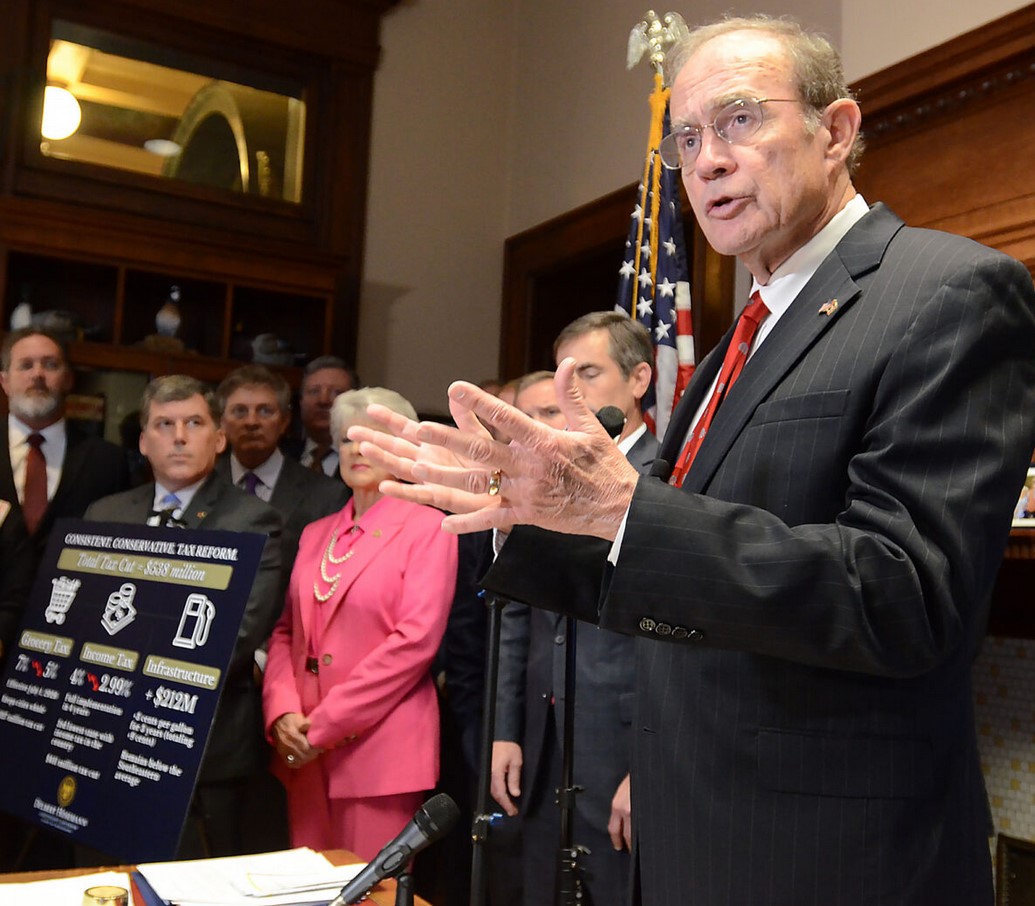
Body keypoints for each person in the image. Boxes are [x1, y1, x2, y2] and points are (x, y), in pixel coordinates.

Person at [348, 15, 1035, 905]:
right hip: (691, 829)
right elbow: (666, 574)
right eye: (686, 138)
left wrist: (623, 509)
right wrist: (531, 512)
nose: (706, 161)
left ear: (835, 130)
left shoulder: (947, 292)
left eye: (739, 120)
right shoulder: (735, 342)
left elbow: (905, 595)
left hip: (826, 856)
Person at [492, 314, 655, 906]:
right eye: (563, 376)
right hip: (543, 745)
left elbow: (679, 643)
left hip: (623, 750)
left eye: (588, 373)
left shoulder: (673, 476)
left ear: (639, 380)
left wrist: (649, 768)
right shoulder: (549, 477)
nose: (572, 393)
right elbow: (519, 613)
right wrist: (505, 730)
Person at [85, 375, 283, 858]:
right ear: (143, 442)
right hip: (103, 736)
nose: (178, 437)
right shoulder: (104, 514)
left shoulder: (252, 520)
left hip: (201, 751)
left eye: (194, 423)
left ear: (219, 439)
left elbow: (234, 637)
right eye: (164, 424)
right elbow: (81, 620)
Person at [263, 387, 458, 860]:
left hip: (378, 751)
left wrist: (324, 726)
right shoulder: (315, 533)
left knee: (373, 888)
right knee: (305, 885)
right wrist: (283, 713)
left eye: (374, 438)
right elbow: (286, 632)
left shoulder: (430, 528)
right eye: (348, 439)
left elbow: (414, 644)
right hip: (302, 747)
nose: (358, 449)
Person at [0, 327, 129, 656]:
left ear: (69, 379)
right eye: (26, 365)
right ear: (4, 381)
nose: (38, 374)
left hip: (72, 640)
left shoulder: (107, 461)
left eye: (50, 364)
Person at [216, 364, 350, 580]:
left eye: (265, 411)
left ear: (284, 421)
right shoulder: (202, 482)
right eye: (240, 411)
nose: (252, 422)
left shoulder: (327, 495)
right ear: (221, 422)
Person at [284, 355, 357, 477]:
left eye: (337, 392)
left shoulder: (370, 461)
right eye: (314, 391)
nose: (323, 400)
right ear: (301, 402)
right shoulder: (279, 455)